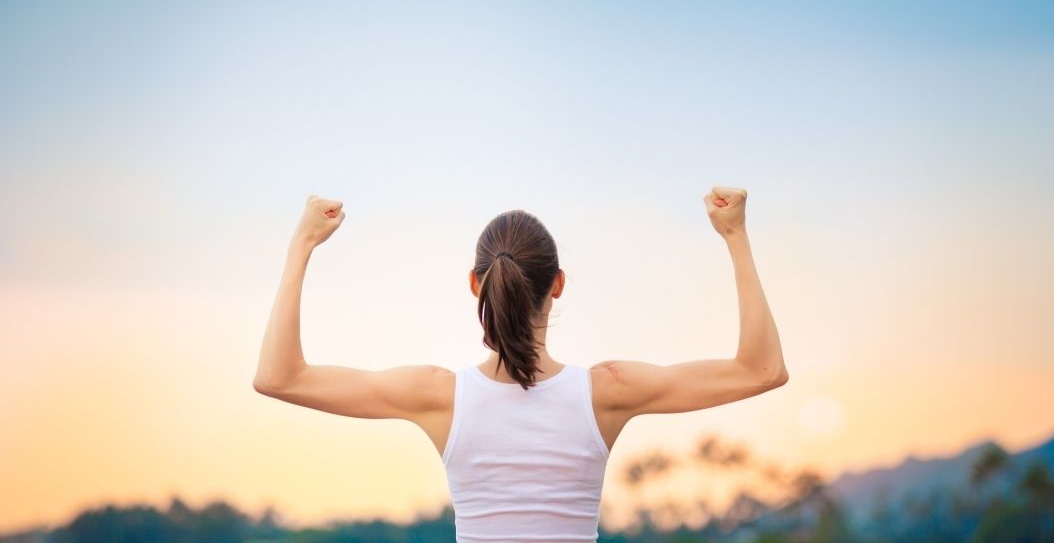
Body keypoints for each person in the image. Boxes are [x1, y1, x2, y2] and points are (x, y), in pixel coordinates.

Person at [253, 186, 788, 542]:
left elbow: (279, 377)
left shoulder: (439, 395)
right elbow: (761, 370)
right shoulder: (608, 390)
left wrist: (303, 242)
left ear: (474, 285)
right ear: (558, 284)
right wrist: (734, 235)